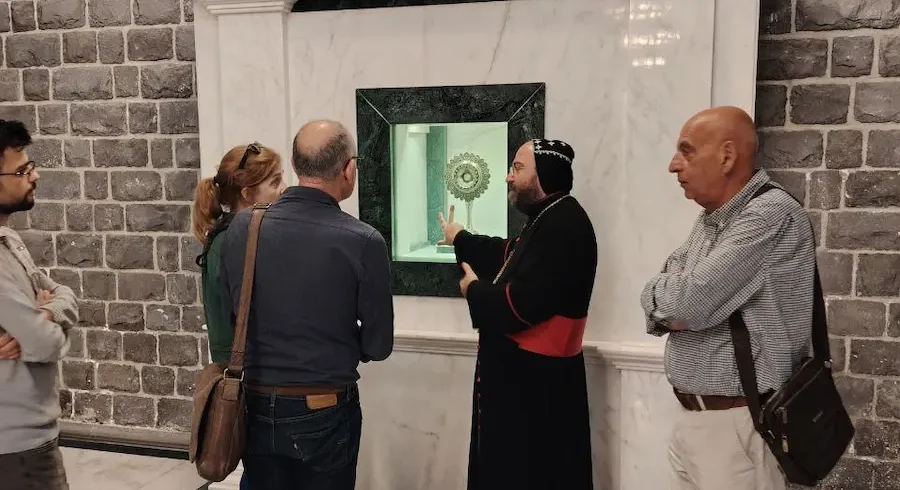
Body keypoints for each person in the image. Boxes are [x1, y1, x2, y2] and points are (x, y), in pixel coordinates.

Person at [640, 106, 814, 490]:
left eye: (686, 151)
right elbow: (667, 288)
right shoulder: (712, 218)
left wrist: (675, 299)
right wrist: (668, 298)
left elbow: (687, 302)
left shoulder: (769, 215)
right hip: (696, 421)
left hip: (739, 427)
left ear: (727, 156)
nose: (673, 165)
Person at [220, 119, 394, 490]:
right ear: (348, 170)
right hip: (324, 410)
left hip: (256, 404)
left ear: (297, 167)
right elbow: (379, 347)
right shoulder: (363, 241)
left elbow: (232, 312)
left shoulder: (243, 228)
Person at [438, 138, 597, 490]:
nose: (509, 177)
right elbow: (508, 253)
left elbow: (520, 306)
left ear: (544, 175)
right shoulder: (549, 217)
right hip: (528, 383)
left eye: (518, 168)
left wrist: (473, 290)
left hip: (535, 393)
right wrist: (461, 237)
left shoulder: (563, 226)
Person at [191, 141, 285, 490]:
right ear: (247, 192)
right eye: (274, 182)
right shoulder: (238, 242)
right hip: (256, 385)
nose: (284, 190)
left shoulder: (229, 238)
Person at [0, 119, 78, 490]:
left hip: (34, 437)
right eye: (22, 170)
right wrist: (41, 323)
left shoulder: (9, 240)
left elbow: (63, 291)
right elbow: (45, 343)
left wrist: (46, 310)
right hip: (17, 448)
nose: (36, 176)